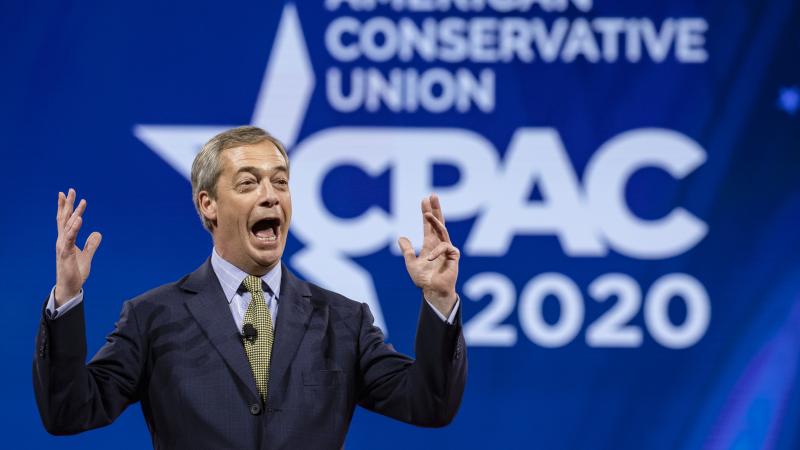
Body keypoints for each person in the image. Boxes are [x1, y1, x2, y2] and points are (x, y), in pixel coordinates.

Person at [33, 126, 467, 449]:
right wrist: (67, 296)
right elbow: (70, 411)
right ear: (209, 204)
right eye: (248, 183)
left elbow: (429, 404)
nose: (271, 195)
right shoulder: (153, 317)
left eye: (280, 181)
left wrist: (439, 298)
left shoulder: (344, 321)